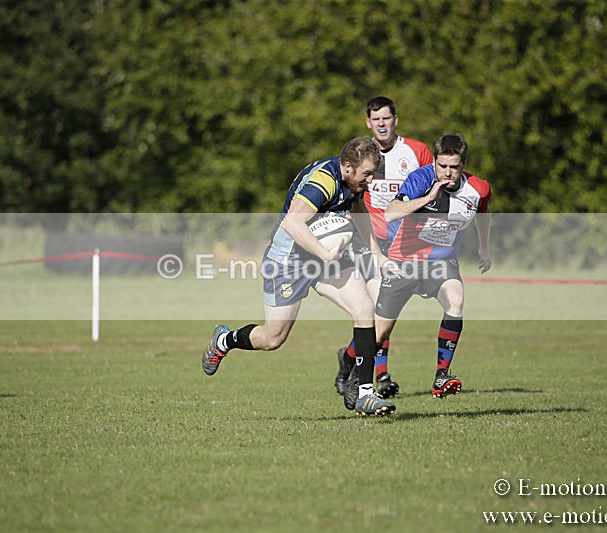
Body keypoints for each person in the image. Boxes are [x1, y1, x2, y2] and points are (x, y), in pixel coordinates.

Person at [201, 136, 396, 416]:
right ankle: (224, 340)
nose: (370, 180)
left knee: (365, 308)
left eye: (372, 173)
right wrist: (325, 254)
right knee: (273, 338)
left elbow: (358, 211)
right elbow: (292, 223)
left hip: (324, 256)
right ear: (348, 166)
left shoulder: (354, 183)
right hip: (288, 261)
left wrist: (376, 254)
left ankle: (365, 393)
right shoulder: (323, 182)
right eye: (367, 173)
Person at [372, 133, 491, 398]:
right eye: (442, 165)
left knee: (455, 301)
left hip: (441, 262)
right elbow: (391, 213)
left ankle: (441, 376)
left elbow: (483, 213)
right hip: (404, 261)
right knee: (378, 334)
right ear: (435, 161)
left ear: (463, 165)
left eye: (454, 167)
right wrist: (429, 197)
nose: (447, 173)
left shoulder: (478, 188)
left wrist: (484, 247)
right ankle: (350, 362)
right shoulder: (421, 179)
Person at [334, 96, 434, 400]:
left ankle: (351, 358)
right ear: (368, 122)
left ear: (395, 120)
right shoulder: (361, 155)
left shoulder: (417, 151)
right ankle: (379, 375)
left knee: (385, 316)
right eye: (376, 119)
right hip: (369, 242)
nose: (381, 123)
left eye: (386, 118)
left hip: (405, 243)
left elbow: (434, 189)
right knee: (379, 308)